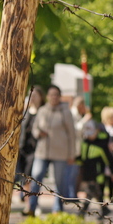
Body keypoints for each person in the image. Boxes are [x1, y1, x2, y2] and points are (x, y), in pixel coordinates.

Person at [27, 84, 77, 215]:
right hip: (42, 152)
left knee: (59, 181)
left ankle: (57, 208)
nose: (54, 97)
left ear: (59, 97)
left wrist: (72, 154)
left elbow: (72, 134)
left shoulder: (65, 112)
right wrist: (38, 133)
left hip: (61, 153)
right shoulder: (42, 110)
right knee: (36, 176)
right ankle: (32, 206)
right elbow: (35, 129)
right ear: (48, 96)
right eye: (51, 94)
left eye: (56, 95)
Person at [78, 120, 113, 215]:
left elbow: (109, 159)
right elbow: (82, 157)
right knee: (95, 192)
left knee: (92, 190)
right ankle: (104, 210)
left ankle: (84, 210)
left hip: (97, 173)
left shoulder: (101, 144)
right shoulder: (84, 143)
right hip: (86, 172)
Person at [16, 86, 43, 204]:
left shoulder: (43, 112)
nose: (33, 98)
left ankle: (30, 202)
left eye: (36, 96)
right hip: (22, 148)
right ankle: (26, 196)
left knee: (31, 176)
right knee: (23, 175)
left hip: (36, 149)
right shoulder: (25, 111)